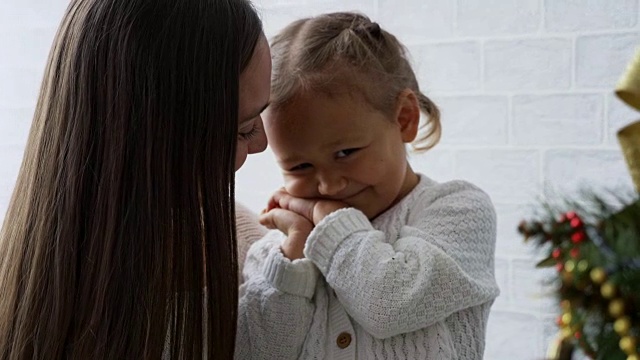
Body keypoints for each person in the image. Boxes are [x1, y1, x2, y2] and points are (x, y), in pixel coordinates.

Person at [0, 0, 270, 358]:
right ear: (156, 141)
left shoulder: (260, 253)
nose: (262, 143)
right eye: (243, 129)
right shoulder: (243, 268)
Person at [235, 12, 500, 359]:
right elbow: (258, 352)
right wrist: (295, 252)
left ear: (404, 118)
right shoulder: (278, 250)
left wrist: (328, 221)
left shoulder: (459, 211)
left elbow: (389, 304)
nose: (329, 186)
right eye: (300, 166)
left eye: (345, 152)